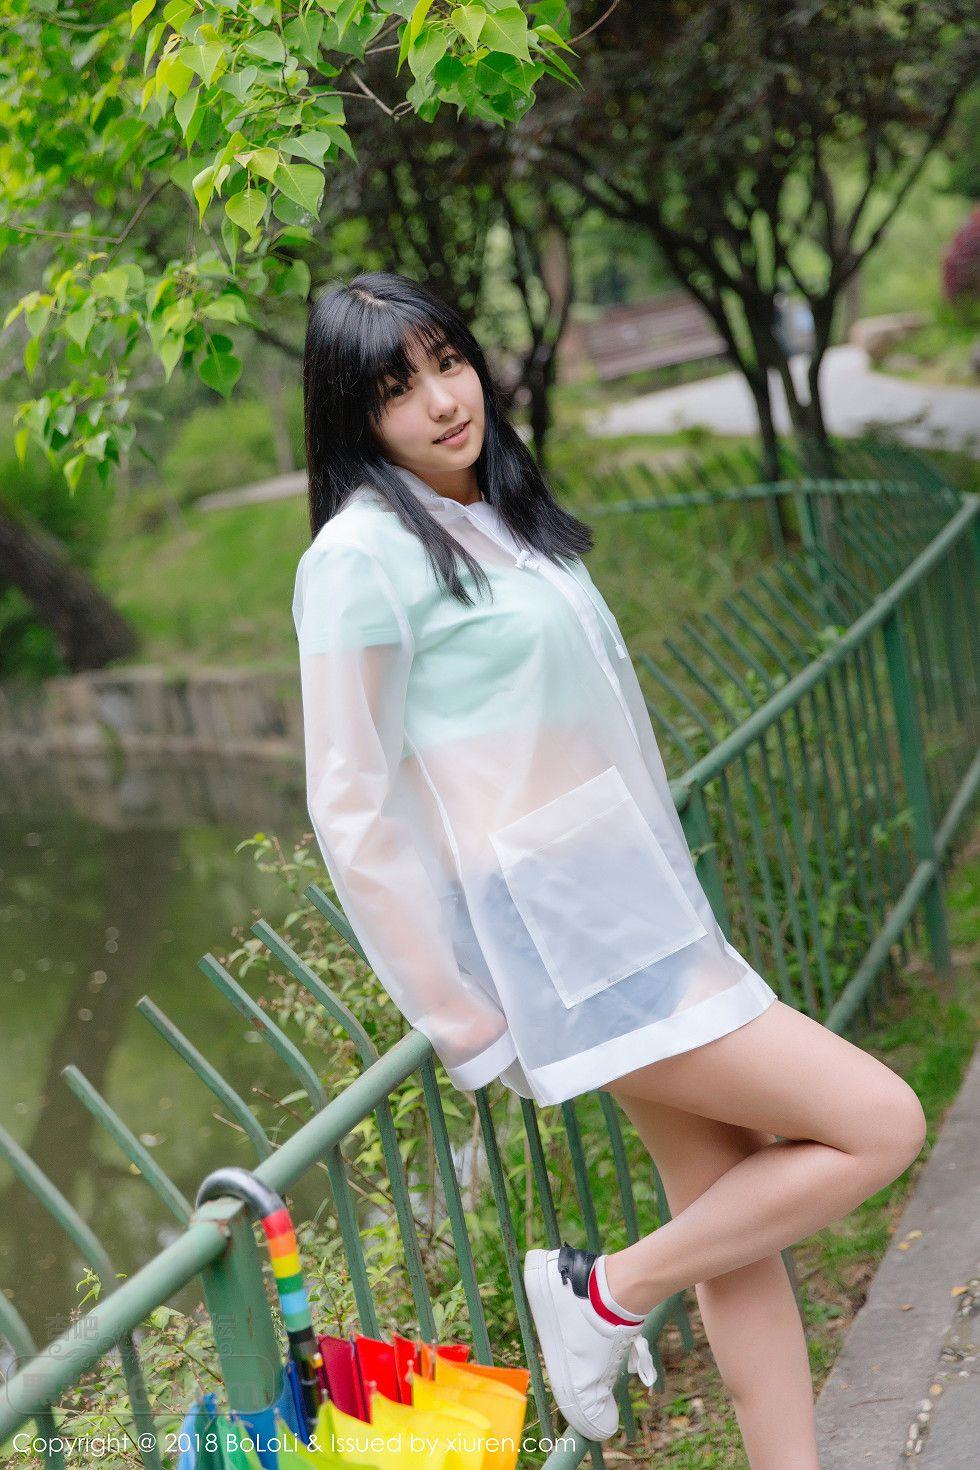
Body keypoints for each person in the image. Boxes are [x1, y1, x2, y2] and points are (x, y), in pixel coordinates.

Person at [293, 271, 927, 1469]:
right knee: (877, 1121)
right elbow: (350, 801)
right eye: (396, 389)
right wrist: (458, 1017)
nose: (441, 401)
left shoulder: (495, 512)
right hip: (567, 932)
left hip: (631, 899)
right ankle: (604, 1294)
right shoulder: (358, 559)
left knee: (727, 1209)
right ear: (351, 416)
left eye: (446, 362)